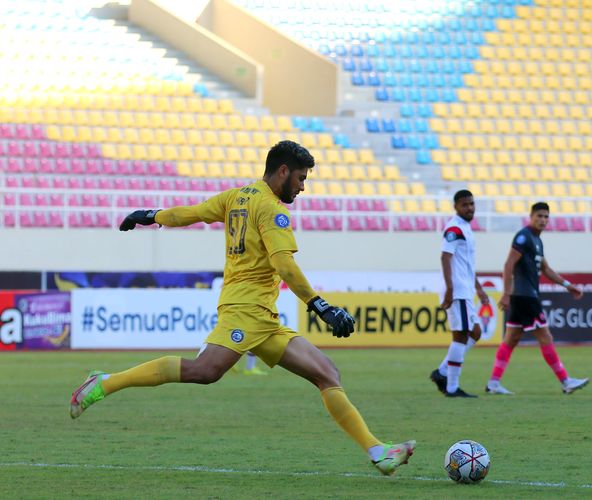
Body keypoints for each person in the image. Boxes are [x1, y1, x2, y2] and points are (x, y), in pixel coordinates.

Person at [69, 140, 415, 475]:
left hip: (263, 316)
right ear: (283, 171)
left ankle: (378, 452)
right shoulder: (271, 209)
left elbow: (190, 213)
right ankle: (105, 382)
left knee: (327, 374)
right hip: (244, 310)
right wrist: (320, 306)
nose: (303, 187)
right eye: (301, 178)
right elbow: (285, 265)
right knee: (204, 371)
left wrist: (150, 215)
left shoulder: (237, 196)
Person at [485, 202, 589, 395]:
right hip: (525, 296)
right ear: (531, 216)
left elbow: (546, 269)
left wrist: (568, 286)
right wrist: (506, 293)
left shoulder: (537, 241)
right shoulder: (524, 237)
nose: (542, 220)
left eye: (546, 217)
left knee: (511, 339)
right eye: (539, 216)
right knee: (545, 336)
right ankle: (566, 381)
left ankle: (493, 383)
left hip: (521, 296)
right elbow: (508, 265)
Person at [429, 190, 490, 398]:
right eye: (465, 205)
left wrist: (479, 288)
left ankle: (443, 371)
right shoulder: (454, 228)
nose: (470, 208)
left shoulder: (466, 228)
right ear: (456, 207)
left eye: (472, 204)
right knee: (461, 336)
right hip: (457, 290)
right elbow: (445, 258)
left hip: (465, 289)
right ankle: (452, 387)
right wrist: (450, 290)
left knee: (475, 332)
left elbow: (465, 265)